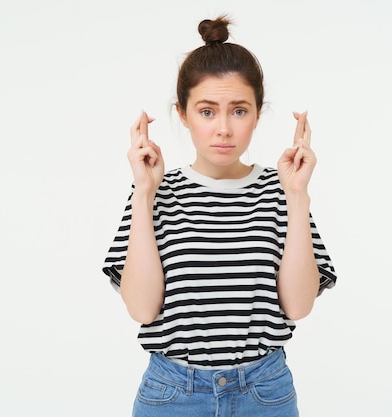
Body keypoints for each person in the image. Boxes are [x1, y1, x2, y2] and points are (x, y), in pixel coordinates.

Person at [102, 15, 336, 417]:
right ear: (183, 114)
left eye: (239, 111)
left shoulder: (282, 190)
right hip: (172, 395)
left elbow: (297, 307)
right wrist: (144, 193)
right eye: (207, 112)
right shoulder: (154, 192)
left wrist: (298, 197)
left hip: (265, 393)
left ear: (258, 114)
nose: (223, 128)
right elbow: (142, 310)